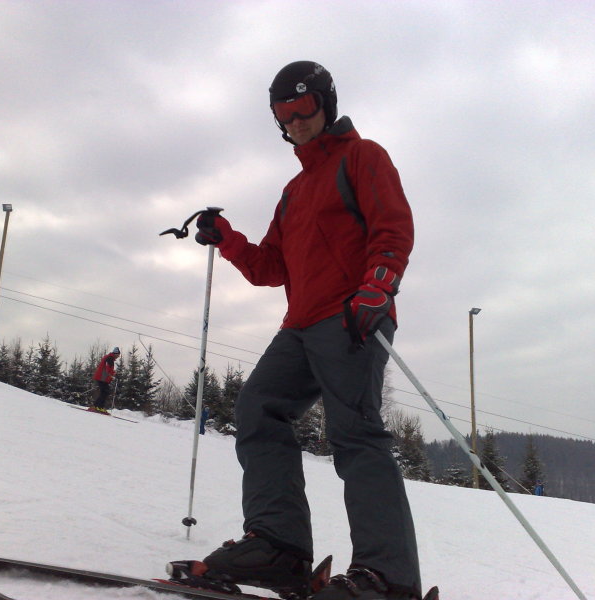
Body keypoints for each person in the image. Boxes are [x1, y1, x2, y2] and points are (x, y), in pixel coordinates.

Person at [192, 61, 425, 600]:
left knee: (354, 434)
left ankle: (386, 578)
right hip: (299, 326)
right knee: (259, 407)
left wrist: (379, 285)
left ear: (326, 104)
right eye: (283, 113)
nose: (295, 121)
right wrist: (227, 238)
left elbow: (392, 226)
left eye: (304, 107)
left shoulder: (363, 157)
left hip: (349, 315)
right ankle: (279, 547)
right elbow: (270, 267)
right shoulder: (293, 190)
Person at [89, 347, 120, 414]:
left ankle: (96, 406)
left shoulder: (109, 358)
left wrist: (114, 373)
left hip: (102, 377)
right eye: (118, 355)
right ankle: (99, 407)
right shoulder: (110, 358)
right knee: (105, 392)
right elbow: (107, 369)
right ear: (116, 353)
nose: (118, 356)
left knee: (104, 392)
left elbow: (109, 369)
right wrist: (111, 376)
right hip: (102, 378)